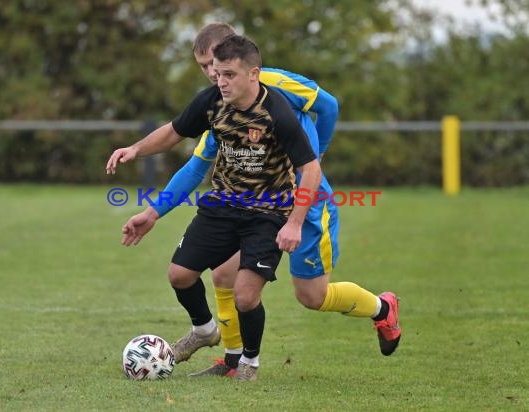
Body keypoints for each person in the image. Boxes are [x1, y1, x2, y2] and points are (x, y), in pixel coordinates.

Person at [118, 23, 402, 378]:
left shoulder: (275, 89)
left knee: (311, 296)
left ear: (241, 55)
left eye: (218, 64)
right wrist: (153, 211)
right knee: (223, 274)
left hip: (305, 201)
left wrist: (317, 156)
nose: (212, 74)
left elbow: (328, 106)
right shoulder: (221, 109)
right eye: (205, 67)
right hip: (248, 205)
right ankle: (232, 359)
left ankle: (381, 308)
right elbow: (194, 167)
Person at [107, 34, 322, 381]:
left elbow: (310, 169)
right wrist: (136, 149)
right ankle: (205, 330)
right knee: (179, 275)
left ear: (253, 74)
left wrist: (294, 223)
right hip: (222, 205)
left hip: (268, 213)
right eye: (216, 73)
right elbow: (174, 132)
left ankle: (248, 364)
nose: (219, 81)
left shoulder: (276, 110)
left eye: (228, 75)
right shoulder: (210, 101)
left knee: (246, 295)